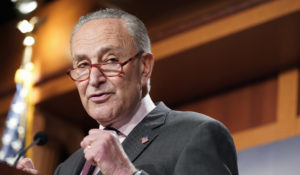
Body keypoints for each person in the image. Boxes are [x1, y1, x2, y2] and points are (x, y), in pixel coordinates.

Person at [17, 8, 239, 175]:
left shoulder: (196, 134)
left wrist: (123, 172)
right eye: (83, 65)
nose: (94, 79)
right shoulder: (67, 168)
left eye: (111, 60)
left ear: (144, 67)